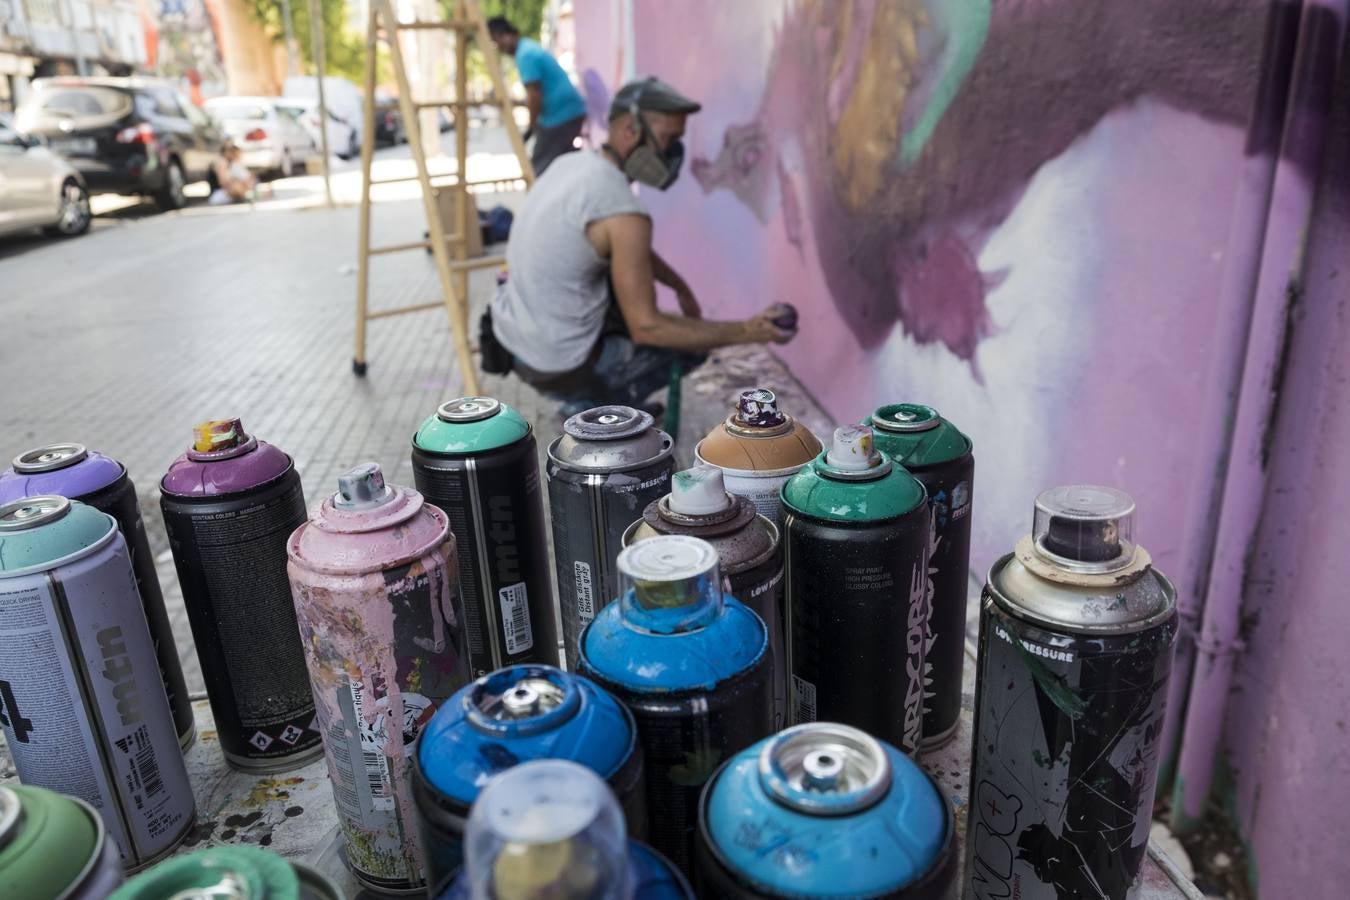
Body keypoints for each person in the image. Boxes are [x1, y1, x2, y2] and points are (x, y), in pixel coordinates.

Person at [487, 75, 796, 420]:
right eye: (667, 140)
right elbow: (646, 326)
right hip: (557, 366)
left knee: (643, 310)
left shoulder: (572, 166)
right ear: (630, 131)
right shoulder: (623, 209)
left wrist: (676, 284)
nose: (673, 154)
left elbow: (624, 248)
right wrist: (747, 331)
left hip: (515, 343)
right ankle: (593, 407)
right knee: (691, 342)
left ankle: (603, 398)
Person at [486, 16, 587, 175]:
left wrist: (531, 128)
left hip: (561, 117)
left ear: (504, 35)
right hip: (570, 112)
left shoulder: (525, 55)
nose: (497, 47)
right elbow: (537, 94)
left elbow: (535, 97)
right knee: (562, 167)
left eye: (496, 41)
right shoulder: (527, 47)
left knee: (539, 171)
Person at [209, 140, 256, 205]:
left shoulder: (233, 164)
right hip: (219, 194)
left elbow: (247, 179)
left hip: (229, 191)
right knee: (236, 186)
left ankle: (240, 195)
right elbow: (223, 182)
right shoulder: (222, 162)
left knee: (241, 184)